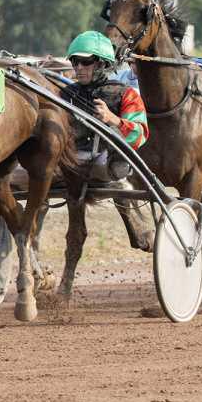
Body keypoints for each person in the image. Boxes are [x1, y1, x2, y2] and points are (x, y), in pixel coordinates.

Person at [60, 30, 154, 248]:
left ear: (101, 64)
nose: (78, 68)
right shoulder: (65, 94)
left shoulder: (127, 94)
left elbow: (140, 135)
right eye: (75, 62)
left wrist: (113, 119)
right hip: (67, 163)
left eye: (85, 62)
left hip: (106, 165)